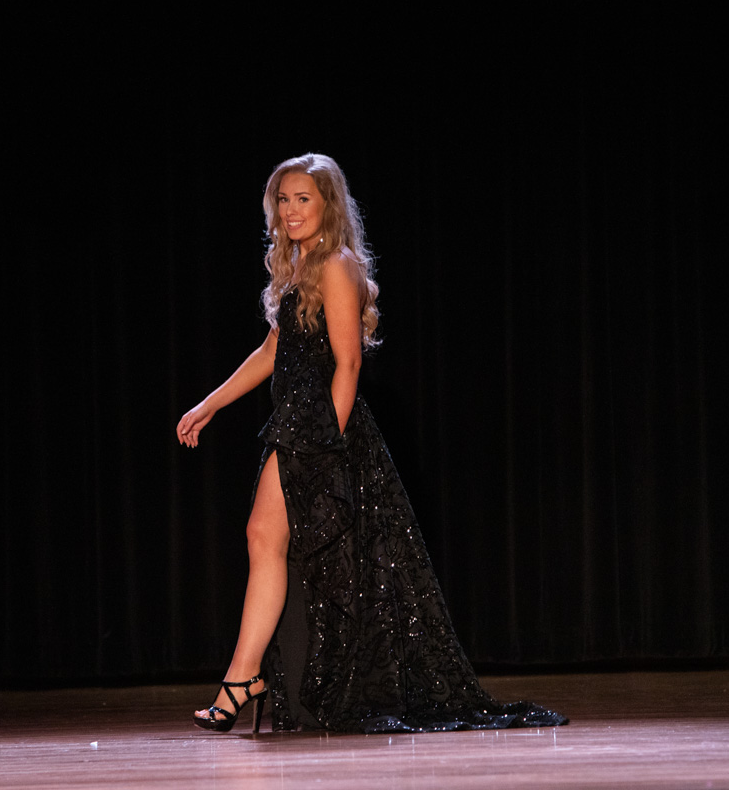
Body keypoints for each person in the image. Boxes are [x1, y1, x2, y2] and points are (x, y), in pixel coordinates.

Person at [176, 154, 567, 734]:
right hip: (295, 424)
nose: (291, 211)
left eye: (303, 199)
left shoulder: (337, 266)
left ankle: (242, 679)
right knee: (265, 539)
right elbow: (271, 352)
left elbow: (349, 363)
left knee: (265, 536)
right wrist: (209, 404)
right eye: (283, 200)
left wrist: (327, 445)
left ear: (327, 204)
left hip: (319, 429)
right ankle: (246, 676)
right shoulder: (301, 265)